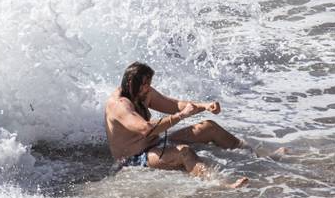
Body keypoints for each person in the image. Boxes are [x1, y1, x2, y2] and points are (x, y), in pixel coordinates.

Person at [104, 62, 248, 188]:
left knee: (209, 127)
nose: (148, 89)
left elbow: (174, 105)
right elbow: (146, 128)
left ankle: (253, 154)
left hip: (157, 144)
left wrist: (204, 105)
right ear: (130, 83)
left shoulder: (141, 92)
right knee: (184, 152)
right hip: (134, 159)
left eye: (149, 84)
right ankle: (220, 184)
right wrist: (181, 116)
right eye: (145, 85)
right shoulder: (119, 104)